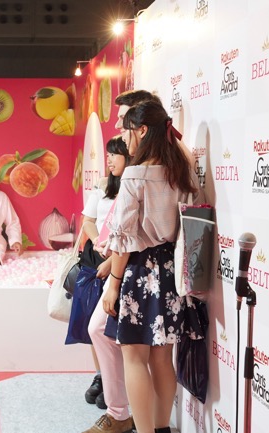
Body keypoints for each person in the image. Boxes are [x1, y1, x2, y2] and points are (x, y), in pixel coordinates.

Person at [101, 100, 198, 433]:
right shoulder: (181, 170)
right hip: (172, 271)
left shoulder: (135, 174)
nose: (124, 138)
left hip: (141, 271)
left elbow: (123, 239)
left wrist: (114, 284)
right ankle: (161, 428)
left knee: (133, 357)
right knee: (162, 358)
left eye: (127, 130)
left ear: (142, 131)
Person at [80, 136, 131, 417]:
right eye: (108, 155)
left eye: (115, 154)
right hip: (97, 257)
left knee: (109, 329)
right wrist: (97, 244)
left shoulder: (134, 187)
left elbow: (131, 236)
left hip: (119, 263)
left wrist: (112, 261)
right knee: (94, 325)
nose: (109, 160)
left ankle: (117, 396)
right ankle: (102, 377)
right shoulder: (102, 187)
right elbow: (88, 221)